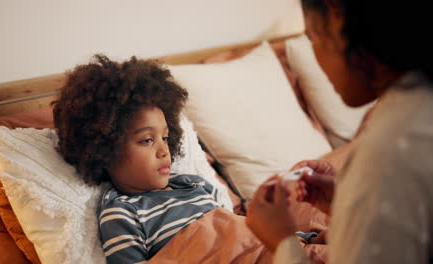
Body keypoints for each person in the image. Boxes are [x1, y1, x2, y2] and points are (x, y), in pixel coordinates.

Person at [246, 0, 433, 263]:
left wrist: (282, 242)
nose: (316, 55)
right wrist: (347, 203)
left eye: (313, 37)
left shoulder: (386, 150)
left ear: (338, 22)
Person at [52, 55, 226, 263]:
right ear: (104, 150)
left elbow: (234, 232)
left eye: (165, 137)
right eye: (146, 140)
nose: (164, 150)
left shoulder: (194, 184)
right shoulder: (123, 214)